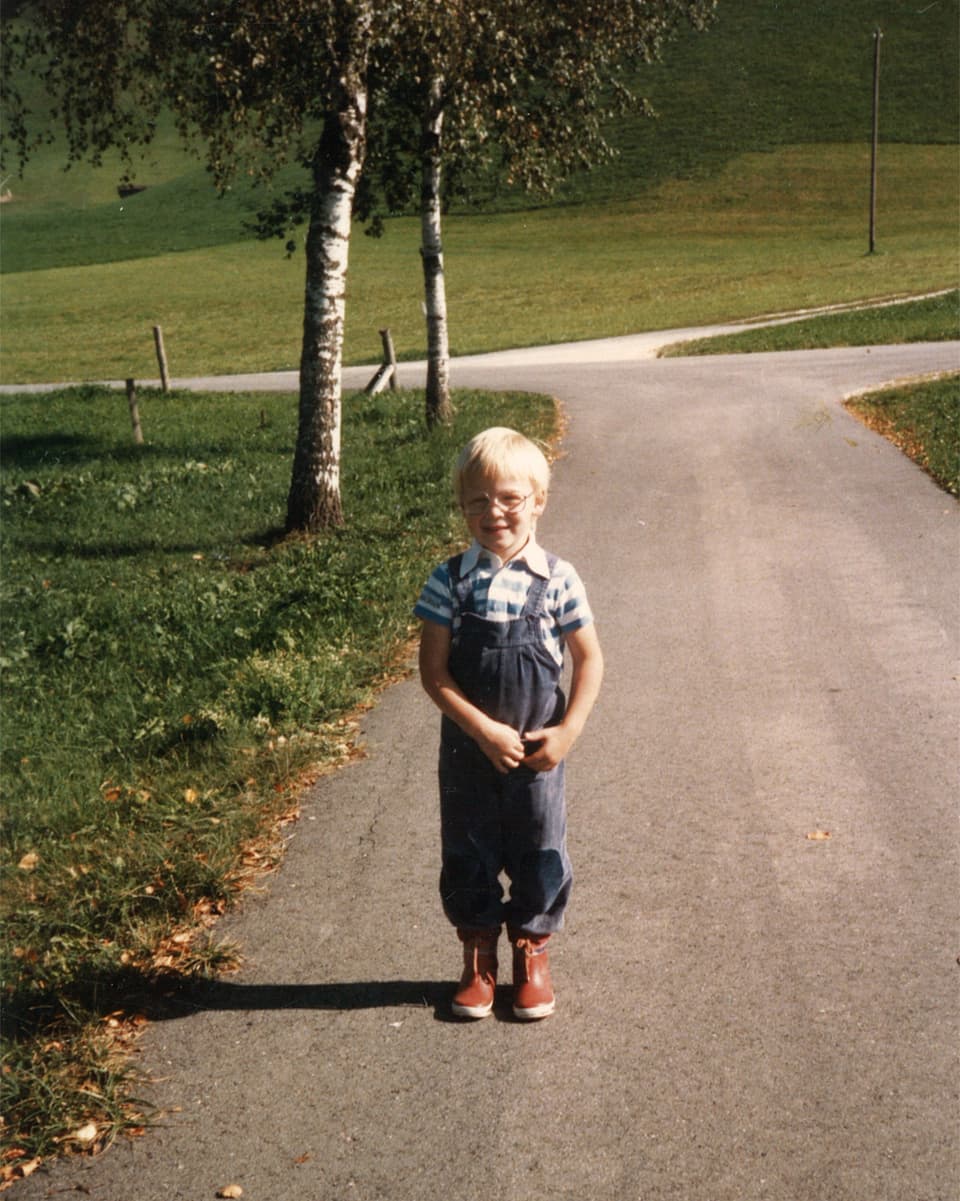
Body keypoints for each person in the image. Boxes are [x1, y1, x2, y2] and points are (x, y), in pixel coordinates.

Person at [415, 427, 603, 1020]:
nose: (492, 512)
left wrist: (568, 730)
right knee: (467, 850)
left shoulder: (559, 579)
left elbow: (589, 658)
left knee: (539, 849)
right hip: (469, 752)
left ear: (538, 501)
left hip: (537, 753)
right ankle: (477, 955)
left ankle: (531, 951)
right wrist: (481, 730)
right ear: (462, 506)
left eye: (509, 498)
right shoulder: (450, 581)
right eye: (477, 501)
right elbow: (434, 673)